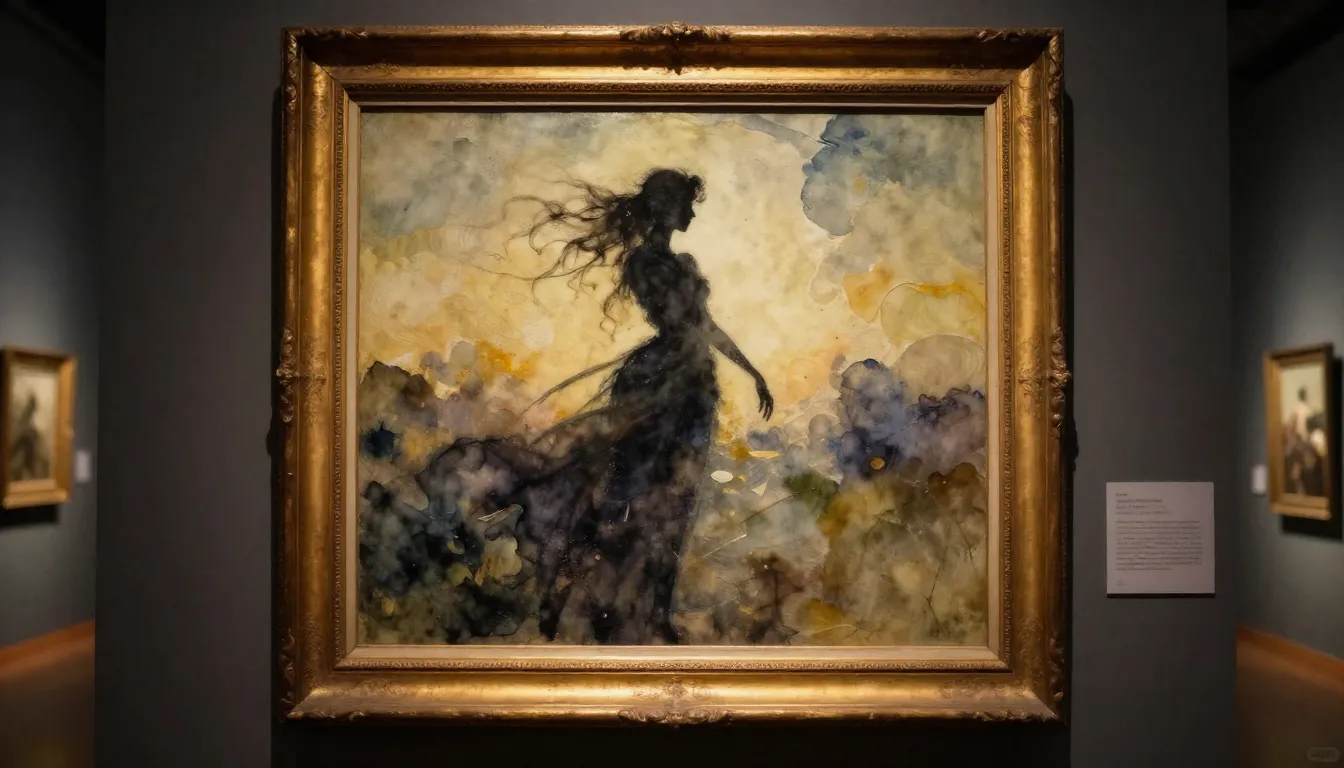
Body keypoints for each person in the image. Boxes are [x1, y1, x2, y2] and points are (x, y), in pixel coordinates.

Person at [417, 169, 773, 644]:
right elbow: (686, 323)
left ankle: (652, 613)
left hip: (690, 387)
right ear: (666, 207)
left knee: (676, 502)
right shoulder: (647, 263)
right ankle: (577, 594)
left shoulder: (676, 264)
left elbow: (703, 326)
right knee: (631, 496)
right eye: (685, 203)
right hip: (662, 381)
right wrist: (715, 353)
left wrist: (752, 371)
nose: (690, 212)